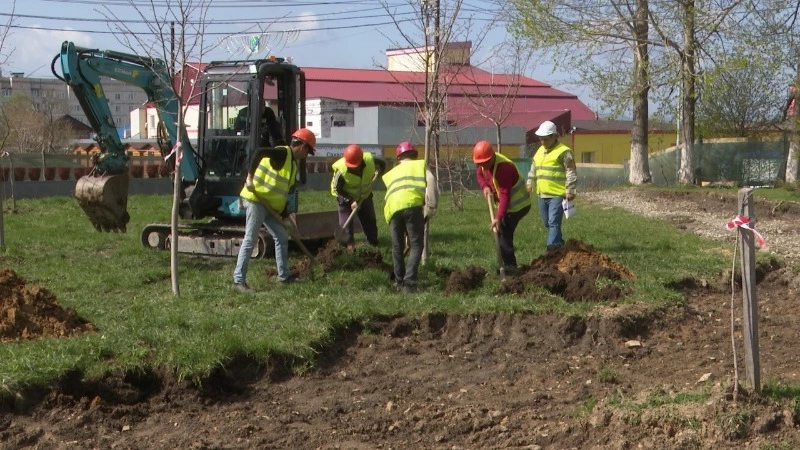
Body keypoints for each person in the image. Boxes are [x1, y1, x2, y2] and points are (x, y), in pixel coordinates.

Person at [232, 128, 316, 293]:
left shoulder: (292, 165)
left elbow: (280, 192)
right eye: (308, 151)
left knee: (282, 236)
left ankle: (284, 277)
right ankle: (238, 280)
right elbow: (259, 152)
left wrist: (285, 216)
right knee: (251, 239)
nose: (307, 155)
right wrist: (250, 177)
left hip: (270, 206)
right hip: (256, 200)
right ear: (303, 146)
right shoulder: (282, 153)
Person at [382, 141, 438, 293]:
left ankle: (398, 281)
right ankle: (409, 283)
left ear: (398, 158)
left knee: (397, 247)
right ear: (414, 155)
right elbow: (431, 182)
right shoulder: (420, 165)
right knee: (416, 245)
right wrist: (431, 207)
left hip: (392, 209)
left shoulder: (392, 172)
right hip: (412, 206)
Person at [473, 140, 531, 275]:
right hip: (507, 206)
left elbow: (505, 195)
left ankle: (510, 266)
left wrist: (498, 218)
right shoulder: (484, 163)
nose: (482, 166)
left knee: (504, 232)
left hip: (518, 206)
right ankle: (506, 264)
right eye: (480, 163)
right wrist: (485, 186)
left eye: (485, 163)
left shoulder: (504, 168)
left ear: (492, 157)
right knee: (500, 233)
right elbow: (479, 173)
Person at [526, 120, 577, 252]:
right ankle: (559, 246)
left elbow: (571, 172)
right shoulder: (539, 151)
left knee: (553, 223)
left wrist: (570, 190)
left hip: (557, 194)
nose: (542, 142)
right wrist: (530, 181)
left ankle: (551, 251)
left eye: (545, 139)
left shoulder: (564, 152)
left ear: (554, 136)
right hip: (542, 194)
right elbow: (534, 167)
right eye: (540, 139)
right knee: (547, 223)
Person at [331, 144, 386, 247]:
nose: (354, 168)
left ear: (361, 161)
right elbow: (337, 190)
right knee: (346, 223)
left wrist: (380, 173)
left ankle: (372, 242)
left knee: (369, 219)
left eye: (356, 166)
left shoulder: (369, 160)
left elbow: (382, 162)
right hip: (345, 196)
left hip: (365, 194)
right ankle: (348, 244)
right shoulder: (341, 171)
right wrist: (350, 200)